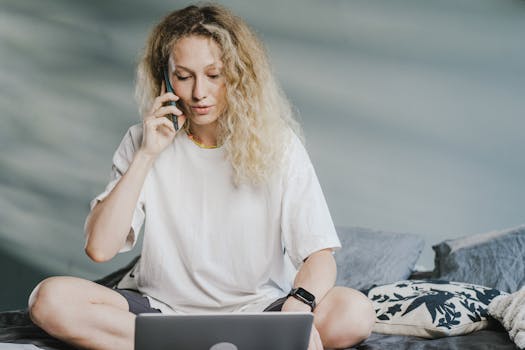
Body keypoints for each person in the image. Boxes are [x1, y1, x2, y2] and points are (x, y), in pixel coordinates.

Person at [27, 4, 375, 350]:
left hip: (258, 310)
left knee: (354, 312)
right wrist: (147, 155)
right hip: (159, 309)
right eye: (184, 76)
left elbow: (319, 256)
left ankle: (185, 345)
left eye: (214, 74)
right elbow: (100, 248)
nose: (198, 93)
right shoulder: (141, 140)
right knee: (50, 299)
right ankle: (215, 344)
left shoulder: (279, 143)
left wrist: (296, 311)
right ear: (164, 77)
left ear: (239, 75)